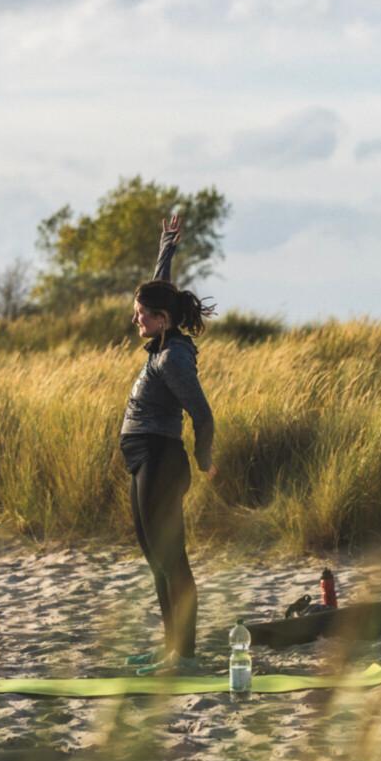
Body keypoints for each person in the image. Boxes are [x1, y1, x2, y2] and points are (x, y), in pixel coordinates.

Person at [120, 214, 217, 675]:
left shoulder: (175, 357)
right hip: (142, 459)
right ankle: (169, 648)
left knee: (171, 559)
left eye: (141, 315)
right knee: (156, 560)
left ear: (161, 321)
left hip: (162, 459)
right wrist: (167, 246)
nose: (134, 318)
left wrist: (205, 458)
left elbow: (202, 412)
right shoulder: (160, 338)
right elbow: (160, 289)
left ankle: (188, 656)